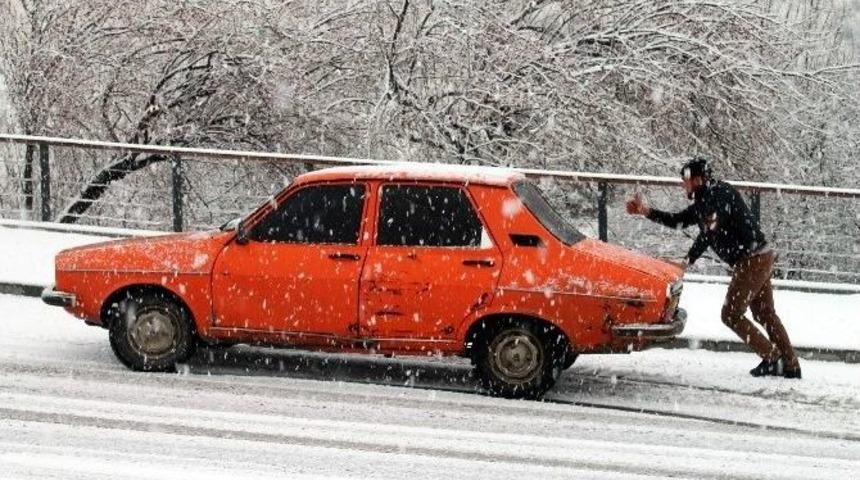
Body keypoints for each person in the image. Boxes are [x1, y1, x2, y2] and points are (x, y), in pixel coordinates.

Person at [626, 157, 801, 379]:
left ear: (697, 180)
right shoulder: (705, 198)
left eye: (685, 180)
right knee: (765, 313)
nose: (683, 185)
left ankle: (772, 357)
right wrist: (646, 211)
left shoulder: (718, 196)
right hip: (760, 255)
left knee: (731, 314)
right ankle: (791, 366)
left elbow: (709, 232)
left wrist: (687, 260)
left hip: (751, 260)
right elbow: (679, 220)